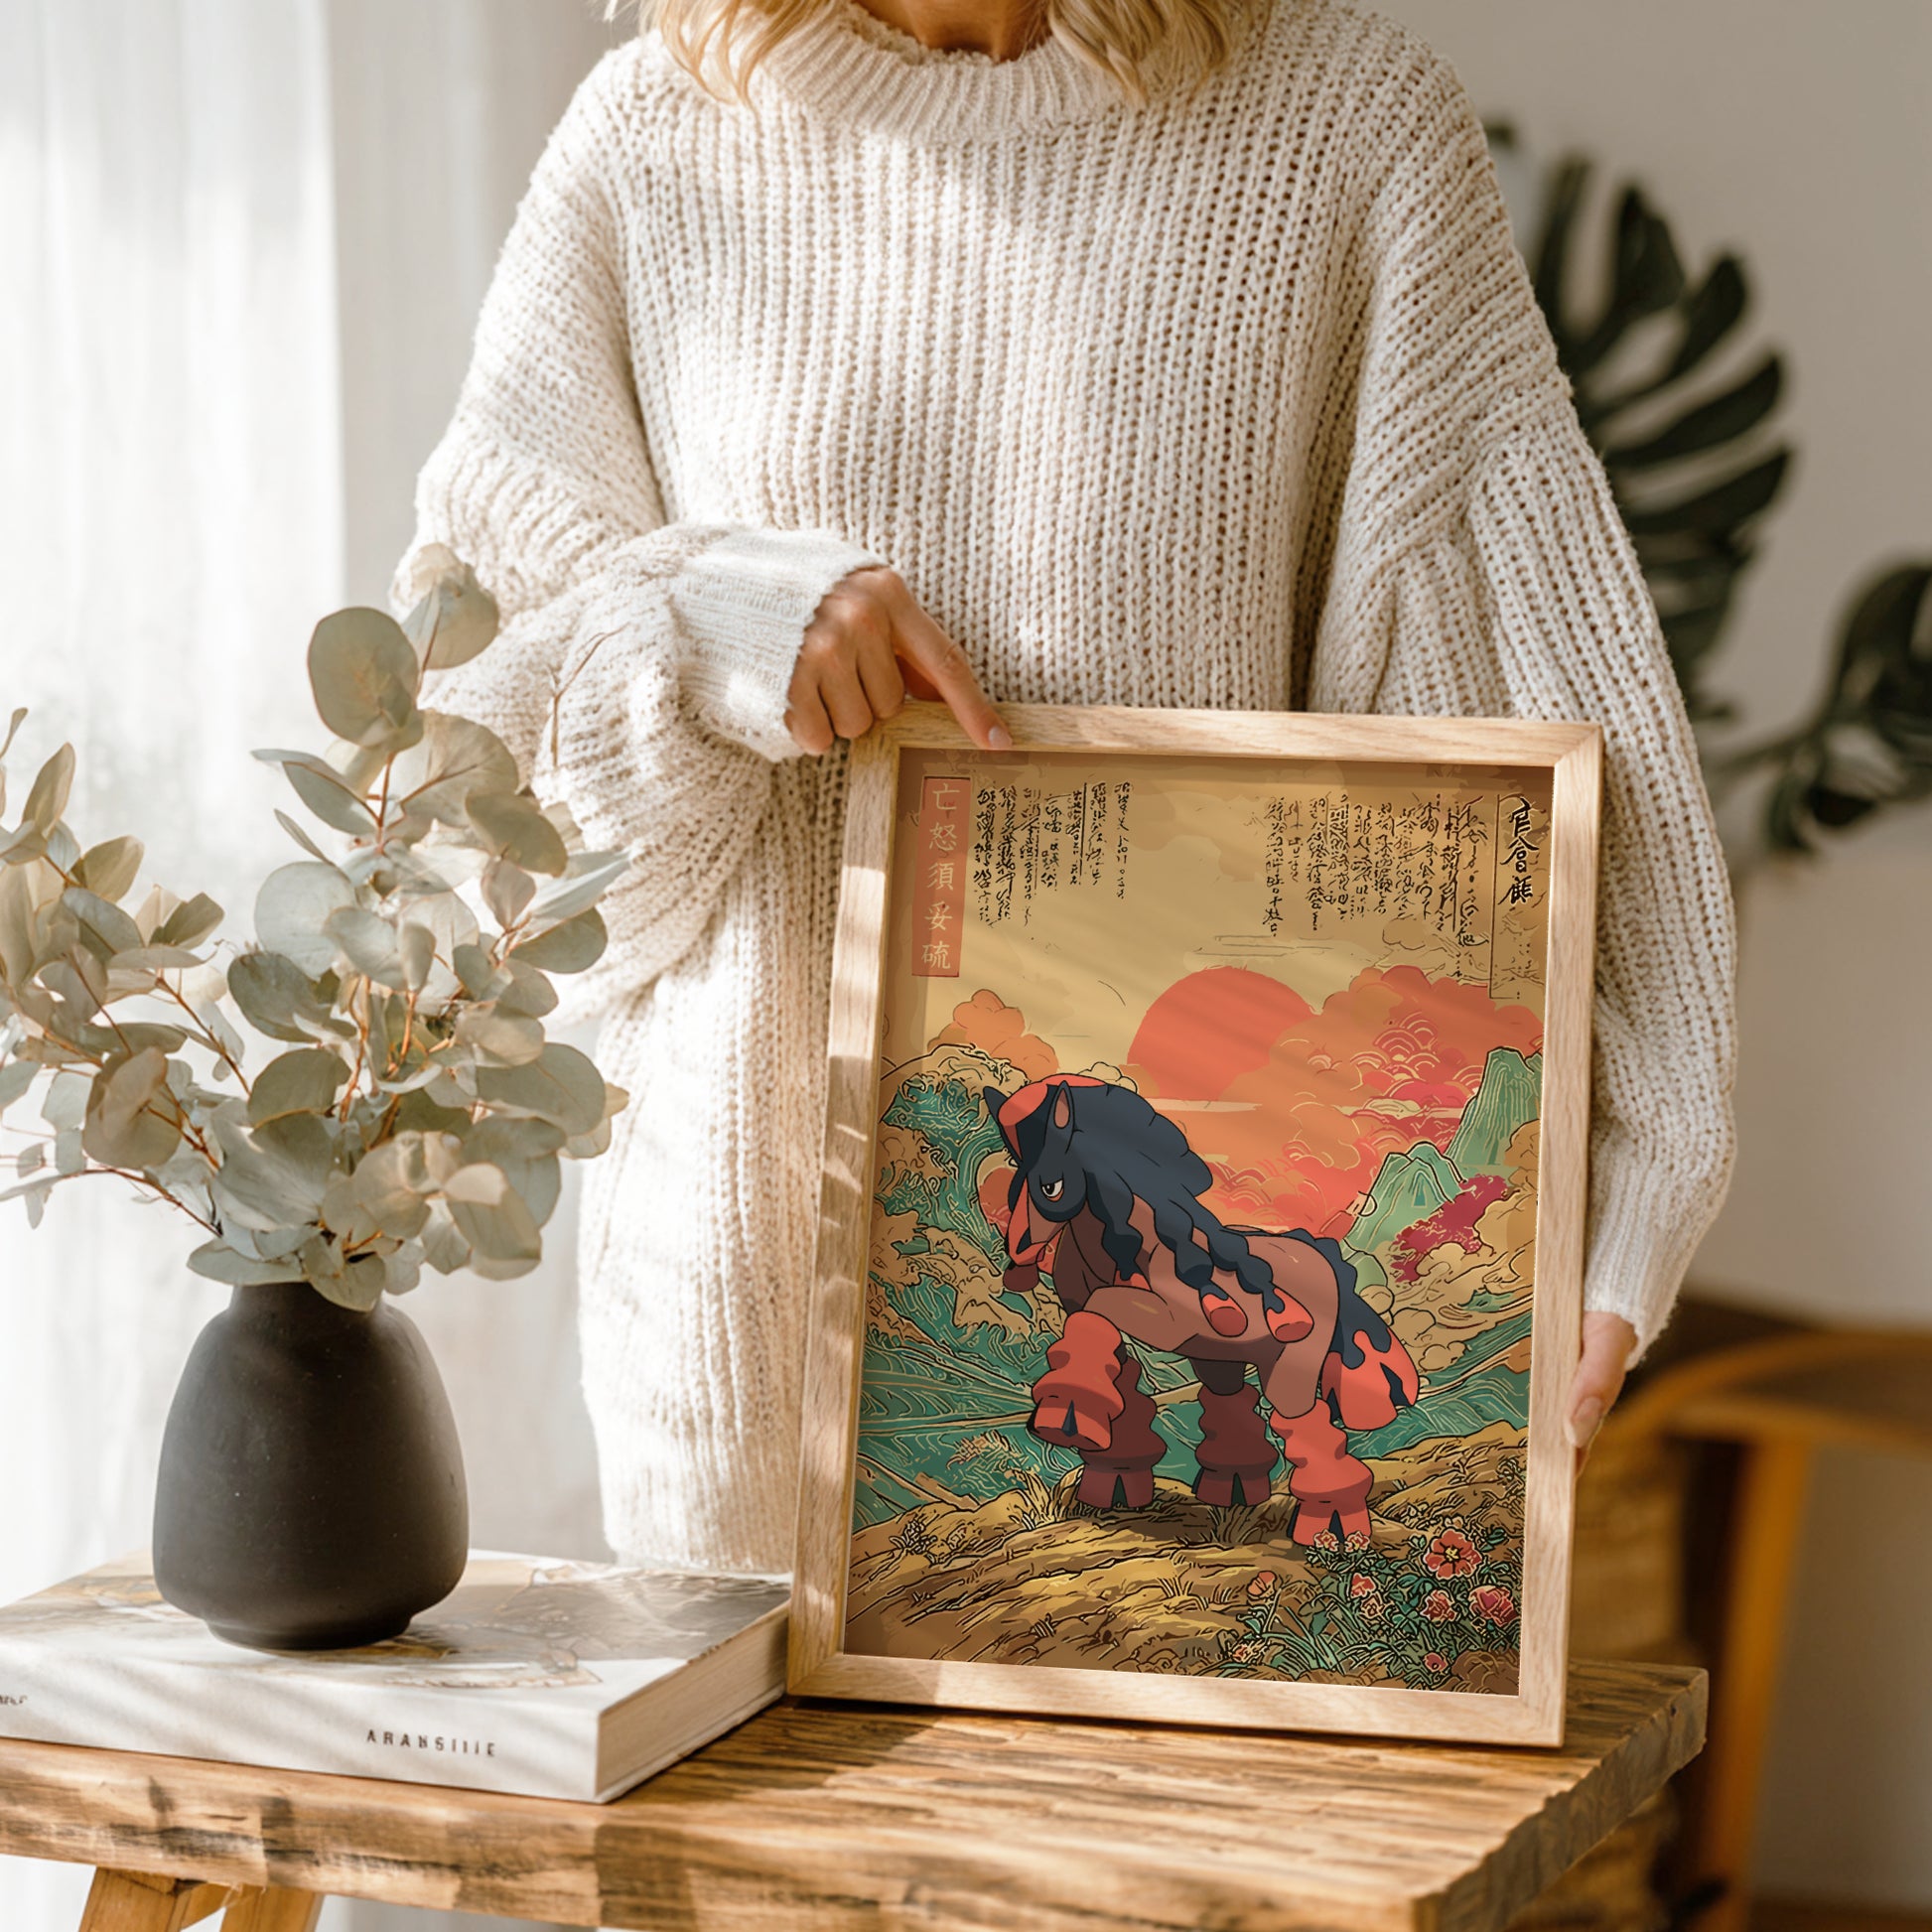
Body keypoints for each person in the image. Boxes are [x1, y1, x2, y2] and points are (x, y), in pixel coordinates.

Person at [392, 0, 1736, 1577]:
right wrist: (706, 621)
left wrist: (1626, 1172)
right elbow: (466, 819)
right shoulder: (649, 141)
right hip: (736, 1348)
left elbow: (1519, 699)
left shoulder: (1343, 128)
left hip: (1210, 1359)